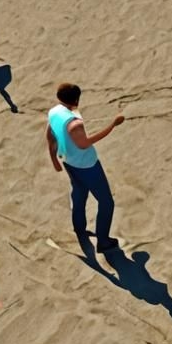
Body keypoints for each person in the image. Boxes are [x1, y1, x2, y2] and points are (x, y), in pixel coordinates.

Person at [45, 83, 125, 252]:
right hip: (87, 165)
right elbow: (84, 144)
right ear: (76, 99)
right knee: (106, 202)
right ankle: (103, 241)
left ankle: (79, 229)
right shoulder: (74, 124)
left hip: (69, 162)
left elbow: (50, 136)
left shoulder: (54, 112)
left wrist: (54, 160)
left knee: (79, 193)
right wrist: (112, 125)